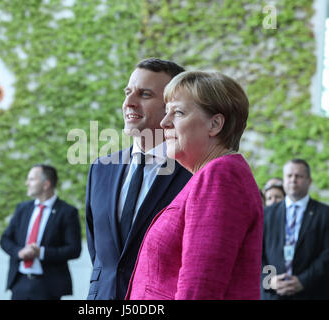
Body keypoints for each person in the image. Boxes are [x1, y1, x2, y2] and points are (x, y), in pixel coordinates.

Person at [126, 70, 263, 300]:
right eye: (166, 112)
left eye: (177, 112)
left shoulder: (220, 177)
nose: (164, 122)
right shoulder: (211, 176)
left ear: (215, 124)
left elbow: (200, 288)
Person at [85, 58, 192, 300]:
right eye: (127, 92)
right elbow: (99, 254)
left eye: (144, 94)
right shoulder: (100, 169)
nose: (128, 103)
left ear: (173, 108)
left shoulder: (192, 174)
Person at [0, 164, 81, 300]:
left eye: (31, 179)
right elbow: (5, 239)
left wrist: (41, 252)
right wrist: (19, 252)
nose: (27, 183)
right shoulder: (22, 209)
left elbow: (74, 249)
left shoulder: (67, 212)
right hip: (19, 283)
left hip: (48, 286)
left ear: (46, 184)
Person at [262, 159, 329, 300]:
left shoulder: (324, 214)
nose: (293, 180)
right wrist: (269, 280)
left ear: (309, 181)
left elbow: (327, 255)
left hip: (311, 292)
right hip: (273, 294)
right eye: (289, 176)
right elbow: (254, 252)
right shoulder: (266, 214)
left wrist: (303, 281)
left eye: (298, 176)